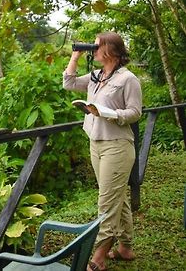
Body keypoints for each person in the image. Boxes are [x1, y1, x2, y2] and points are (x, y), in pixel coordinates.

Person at [63, 32, 142, 271]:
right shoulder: (97, 75)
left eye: (97, 46)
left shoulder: (128, 79)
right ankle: (125, 247)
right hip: (95, 143)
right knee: (117, 198)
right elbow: (69, 83)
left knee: (106, 202)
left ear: (112, 50)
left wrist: (109, 114)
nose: (93, 49)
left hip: (117, 146)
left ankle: (99, 256)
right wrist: (75, 58)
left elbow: (135, 112)